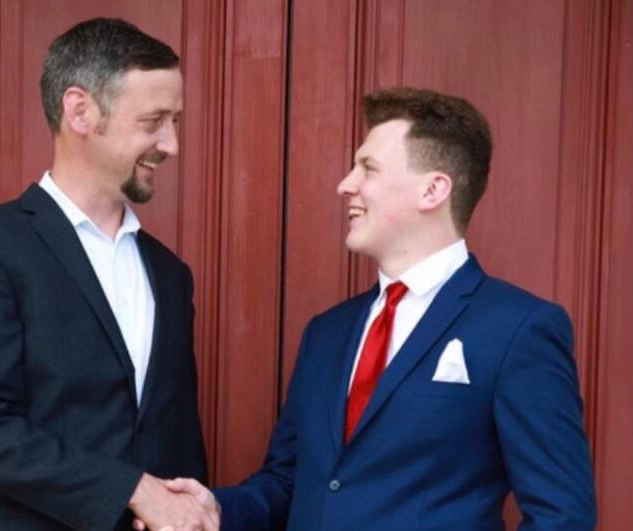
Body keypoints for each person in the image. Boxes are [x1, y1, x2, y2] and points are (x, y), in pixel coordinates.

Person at [164, 88, 597, 530]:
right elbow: (289, 482)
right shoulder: (326, 333)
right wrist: (213, 510)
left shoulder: (518, 330)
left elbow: (562, 515)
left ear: (433, 189)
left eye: (367, 168)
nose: (346, 184)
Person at [0, 18, 218, 531]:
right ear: (80, 111)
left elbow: (176, 441)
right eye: (153, 121)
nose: (171, 144)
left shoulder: (171, 275)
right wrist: (131, 489)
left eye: (175, 121)